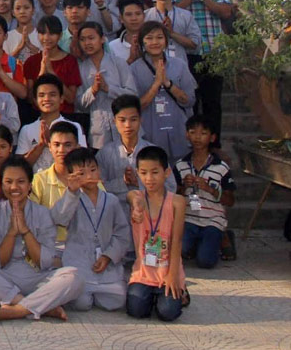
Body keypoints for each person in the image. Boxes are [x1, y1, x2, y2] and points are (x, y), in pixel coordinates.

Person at [0, 156, 84, 324]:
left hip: (39, 278)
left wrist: (26, 232)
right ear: (1, 184)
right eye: (8, 181)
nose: (14, 187)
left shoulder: (42, 213)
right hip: (6, 277)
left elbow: (44, 262)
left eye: (20, 181)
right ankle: (40, 306)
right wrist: (12, 233)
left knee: (74, 276)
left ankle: (16, 310)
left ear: (29, 185)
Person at [50, 147, 129, 311]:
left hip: (106, 263)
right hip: (79, 262)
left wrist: (108, 256)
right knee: (81, 303)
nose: (89, 176)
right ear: (70, 177)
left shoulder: (111, 200)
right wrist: (71, 192)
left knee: (118, 299)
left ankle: (97, 291)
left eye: (93, 170)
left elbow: (122, 233)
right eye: (82, 173)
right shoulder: (71, 198)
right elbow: (59, 219)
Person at [172, 0, 234, 144]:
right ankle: (188, 144)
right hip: (186, 52)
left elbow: (226, 12)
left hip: (213, 50)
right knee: (188, 101)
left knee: (212, 102)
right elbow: (170, 13)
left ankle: (213, 146)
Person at [126, 146, 187, 322]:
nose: (149, 178)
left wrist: (173, 274)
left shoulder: (177, 202)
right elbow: (130, 196)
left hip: (167, 268)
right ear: (137, 173)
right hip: (143, 271)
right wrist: (136, 205)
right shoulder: (137, 197)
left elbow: (177, 241)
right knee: (135, 310)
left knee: (168, 313)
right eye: (144, 173)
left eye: (155, 172)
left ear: (166, 172)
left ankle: (179, 291)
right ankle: (151, 296)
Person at [174, 115, 236, 269]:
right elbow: (173, 195)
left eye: (203, 133)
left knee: (206, 262)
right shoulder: (181, 165)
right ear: (187, 135)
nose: (197, 137)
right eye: (193, 132)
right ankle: (196, 244)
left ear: (212, 137)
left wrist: (210, 189)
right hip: (189, 219)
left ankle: (224, 237)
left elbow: (231, 200)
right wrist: (183, 187)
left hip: (213, 219)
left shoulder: (221, 167)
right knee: (180, 251)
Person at [98, 94, 178, 212]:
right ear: (114, 121)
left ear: (141, 119)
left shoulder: (153, 152)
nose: (128, 125)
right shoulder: (104, 154)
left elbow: (171, 187)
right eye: (122, 120)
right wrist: (123, 182)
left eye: (133, 119)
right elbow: (97, 188)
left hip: (149, 215)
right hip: (115, 217)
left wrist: (139, 183)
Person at [129, 22, 197, 160]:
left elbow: (190, 100)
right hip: (150, 130)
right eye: (149, 38)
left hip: (178, 127)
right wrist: (156, 84)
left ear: (166, 40)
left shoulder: (179, 65)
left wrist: (167, 83)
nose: (155, 42)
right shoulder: (134, 69)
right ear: (142, 41)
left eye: (159, 37)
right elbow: (134, 106)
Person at [75, 21, 137, 148]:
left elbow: (133, 95)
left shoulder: (118, 63)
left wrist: (108, 88)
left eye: (91, 38)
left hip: (125, 128)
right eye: (82, 40)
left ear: (102, 39)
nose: (87, 43)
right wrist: (93, 90)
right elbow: (79, 105)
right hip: (98, 132)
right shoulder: (81, 68)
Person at [17, 75, 85, 172]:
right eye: (42, 95)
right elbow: (20, 168)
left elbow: (82, 162)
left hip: (67, 184)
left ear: (61, 98)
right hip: (36, 184)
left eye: (52, 95)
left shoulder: (75, 127)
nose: (47, 99)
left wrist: (53, 142)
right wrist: (41, 146)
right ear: (35, 100)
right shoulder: (27, 129)